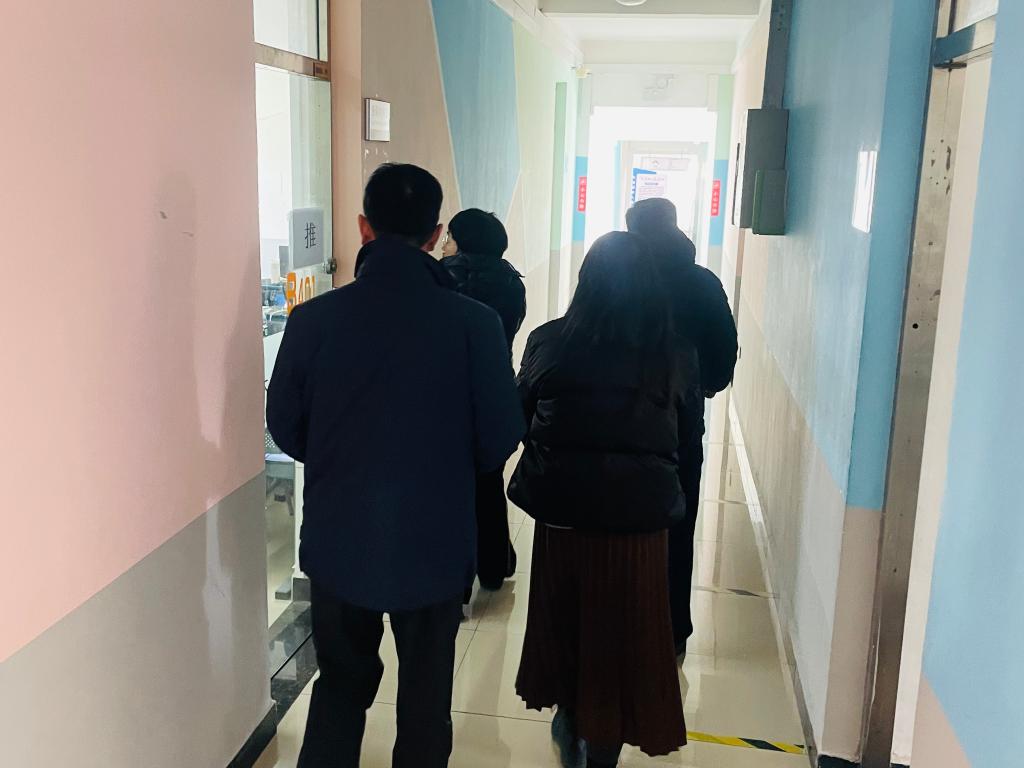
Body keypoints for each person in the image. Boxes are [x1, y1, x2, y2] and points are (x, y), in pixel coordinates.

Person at [267, 163, 525, 768]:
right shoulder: (475, 325)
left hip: (338, 540)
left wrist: (342, 461)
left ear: (364, 227)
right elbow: (499, 437)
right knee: (426, 703)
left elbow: (285, 425)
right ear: (435, 235)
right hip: (435, 545)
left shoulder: (313, 321)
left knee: (339, 690)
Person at [510, 232, 701, 767]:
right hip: (639, 524)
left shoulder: (550, 342)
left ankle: (571, 723)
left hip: (564, 516)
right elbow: (688, 439)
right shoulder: (676, 354)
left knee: (566, 622)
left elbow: (519, 417)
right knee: (624, 633)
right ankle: (603, 750)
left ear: (586, 282)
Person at [626, 197, 738, 656]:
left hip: (615, 423)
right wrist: (695, 388)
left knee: (616, 525)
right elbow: (722, 362)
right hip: (679, 428)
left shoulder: (617, 279)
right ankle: (671, 630)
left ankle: (618, 624)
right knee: (677, 522)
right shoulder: (703, 283)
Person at [440, 208, 527, 593]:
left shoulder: (440, 278)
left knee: (449, 489)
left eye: (449, 237)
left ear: (461, 241)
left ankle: (456, 582)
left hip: (446, 397)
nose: (445, 244)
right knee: (489, 480)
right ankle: (494, 566)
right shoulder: (512, 284)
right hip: (494, 392)